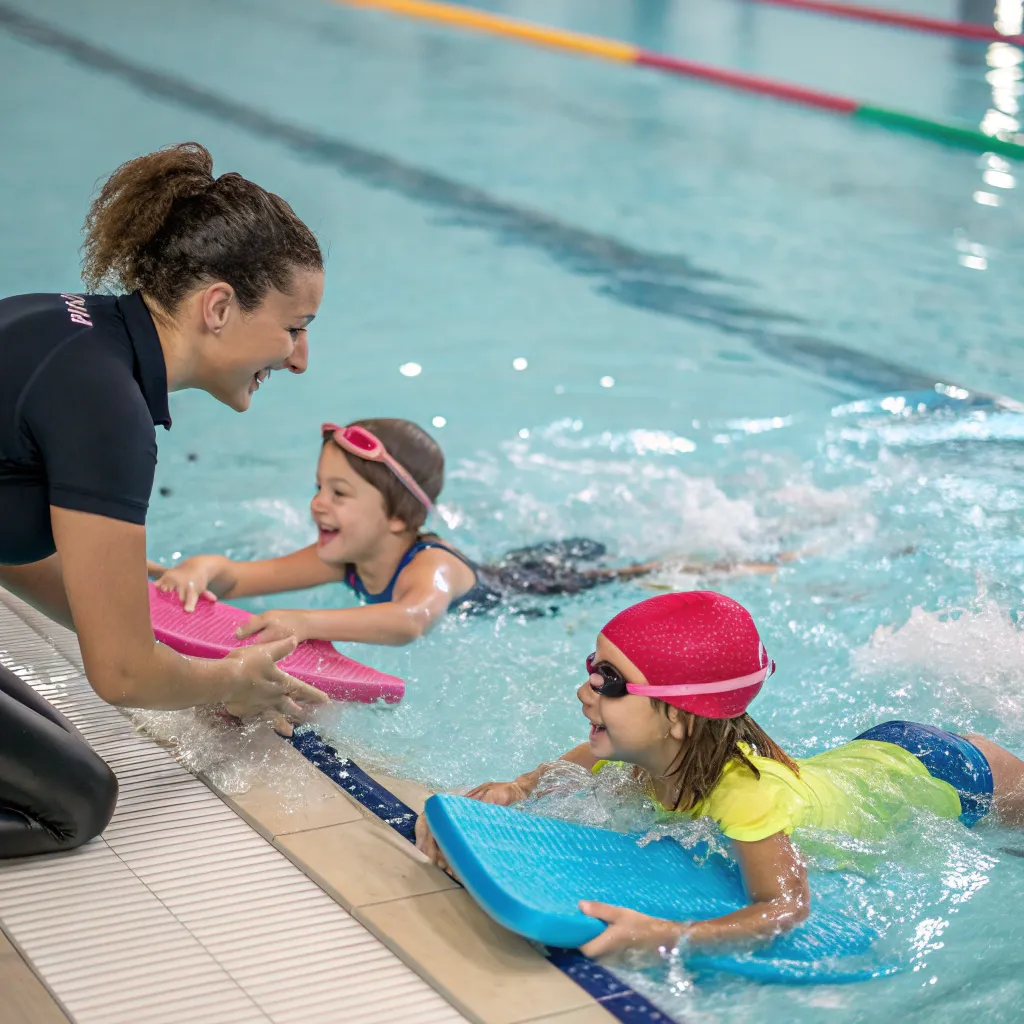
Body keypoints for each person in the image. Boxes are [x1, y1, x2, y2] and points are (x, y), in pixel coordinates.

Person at [0, 142, 329, 858]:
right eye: (295, 327)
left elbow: (11, 555)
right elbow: (120, 674)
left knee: (50, 747)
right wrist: (231, 683)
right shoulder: (108, 411)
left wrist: (170, 646)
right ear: (218, 306)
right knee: (77, 802)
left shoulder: (64, 323)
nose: (300, 359)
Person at [415, 591, 1024, 958]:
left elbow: (783, 906)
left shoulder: (745, 796)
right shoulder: (633, 749)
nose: (585, 689)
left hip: (955, 776)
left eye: (611, 681)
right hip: (876, 756)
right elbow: (568, 769)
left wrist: (667, 932)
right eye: (593, 667)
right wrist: (515, 789)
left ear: (679, 718)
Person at [149, 419, 794, 646]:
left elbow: (409, 622)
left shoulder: (433, 567)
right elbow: (242, 576)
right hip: (514, 567)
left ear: (399, 517)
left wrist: (303, 622)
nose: (318, 504)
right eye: (319, 487)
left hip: (536, 593)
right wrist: (199, 572)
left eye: (340, 493)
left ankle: (763, 560)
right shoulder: (343, 556)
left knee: (639, 576)